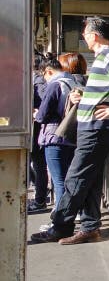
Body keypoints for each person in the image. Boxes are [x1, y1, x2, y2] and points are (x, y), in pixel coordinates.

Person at [31, 17, 109, 245]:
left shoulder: (107, 56)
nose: (84, 37)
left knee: (75, 178)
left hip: (95, 129)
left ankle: (60, 227)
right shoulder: (102, 58)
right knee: (89, 179)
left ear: (95, 35)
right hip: (93, 128)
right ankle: (90, 227)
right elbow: (108, 85)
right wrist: (82, 93)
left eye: (86, 34)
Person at [35, 58, 78, 210]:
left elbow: (43, 115)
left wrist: (36, 114)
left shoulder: (55, 84)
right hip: (71, 136)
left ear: (48, 71)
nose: (44, 80)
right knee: (68, 179)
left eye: (44, 76)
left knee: (59, 181)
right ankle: (69, 215)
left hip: (54, 136)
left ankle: (59, 220)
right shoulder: (72, 82)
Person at [28, 53, 50, 212]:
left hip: (37, 126)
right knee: (36, 162)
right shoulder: (37, 79)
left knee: (38, 162)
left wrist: (37, 112)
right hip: (37, 126)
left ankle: (40, 198)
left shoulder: (38, 80)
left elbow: (44, 102)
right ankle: (40, 192)